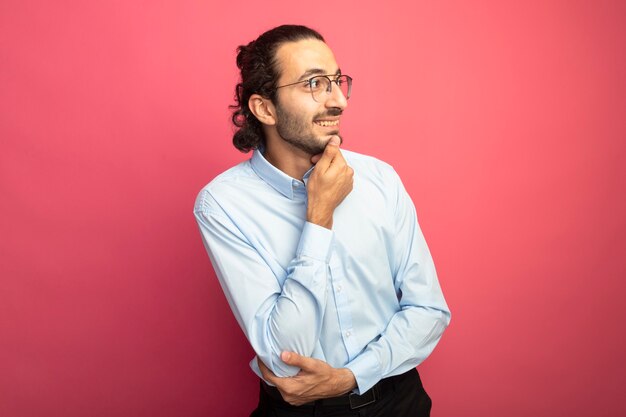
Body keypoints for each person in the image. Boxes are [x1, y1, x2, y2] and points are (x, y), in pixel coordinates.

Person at [194, 24, 451, 417]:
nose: (338, 102)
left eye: (336, 81)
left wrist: (351, 376)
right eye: (314, 83)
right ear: (264, 108)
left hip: (400, 403)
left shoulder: (380, 179)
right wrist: (319, 216)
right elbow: (283, 357)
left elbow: (429, 311)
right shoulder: (223, 205)